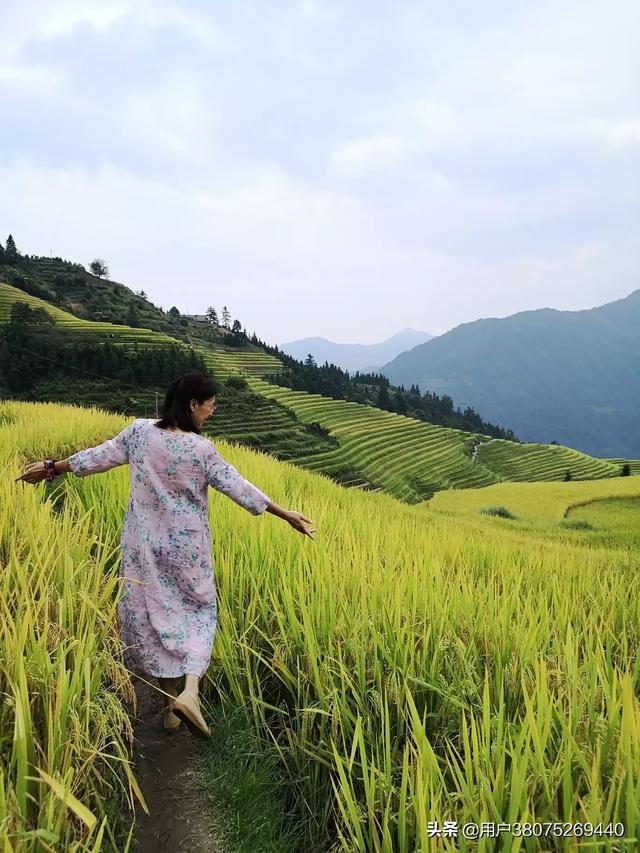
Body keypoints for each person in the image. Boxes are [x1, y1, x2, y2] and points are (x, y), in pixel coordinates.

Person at [15, 371, 316, 738]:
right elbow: (238, 487)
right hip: (188, 551)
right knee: (198, 613)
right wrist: (286, 514)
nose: (212, 413)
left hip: (143, 547)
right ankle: (190, 692)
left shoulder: (139, 432)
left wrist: (50, 468)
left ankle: (169, 704)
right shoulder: (201, 450)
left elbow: (98, 457)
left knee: (154, 612)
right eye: (210, 406)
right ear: (192, 405)